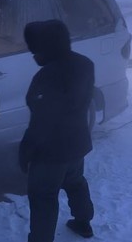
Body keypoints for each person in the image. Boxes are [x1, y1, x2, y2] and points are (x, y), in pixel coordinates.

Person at [19, 19, 95, 242]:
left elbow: (43, 121)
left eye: (36, 49)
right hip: (77, 142)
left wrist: (26, 149)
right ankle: (83, 222)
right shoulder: (84, 64)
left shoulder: (48, 76)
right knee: (75, 182)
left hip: (51, 152)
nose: (33, 55)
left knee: (43, 196)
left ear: (47, 46)